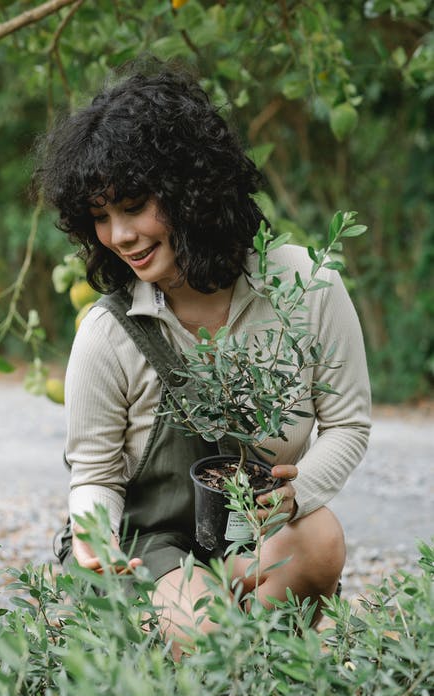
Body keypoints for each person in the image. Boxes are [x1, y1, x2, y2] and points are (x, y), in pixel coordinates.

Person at [40, 60, 371, 658]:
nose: (118, 235)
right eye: (100, 217)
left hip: (255, 529)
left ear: (193, 190)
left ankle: (257, 657)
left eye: (134, 205)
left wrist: (300, 494)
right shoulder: (107, 333)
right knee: (207, 633)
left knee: (320, 540)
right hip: (148, 541)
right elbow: (94, 474)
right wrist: (94, 541)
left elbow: (348, 424)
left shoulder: (305, 284)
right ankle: (223, 648)